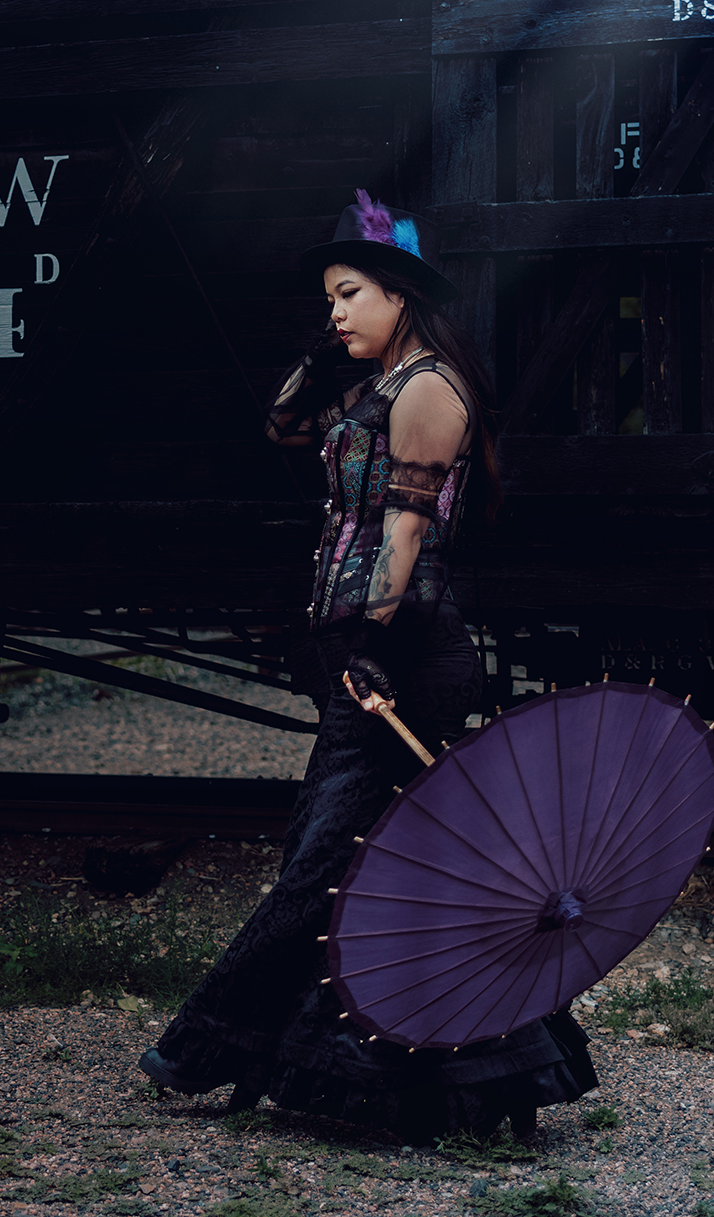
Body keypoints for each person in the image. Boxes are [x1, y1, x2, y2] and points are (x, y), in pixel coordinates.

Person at [137, 193, 598, 1143]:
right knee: (383, 864)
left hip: (404, 656)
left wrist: (365, 642)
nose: (336, 311)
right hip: (364, 651)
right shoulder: (370, 388)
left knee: (322, 868)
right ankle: (461, 1064)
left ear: (402, 297)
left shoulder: (428, 390)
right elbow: (279, 429)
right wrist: (322, 354)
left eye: (350, 295)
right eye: (329, 299)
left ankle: (209, 1041)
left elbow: (406, 532)